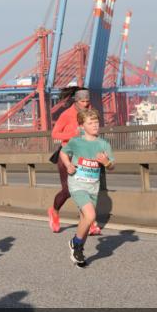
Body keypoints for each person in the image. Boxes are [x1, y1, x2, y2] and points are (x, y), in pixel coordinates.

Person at [59, 108, 115, 267]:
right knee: (90, 216)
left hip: (93, 187)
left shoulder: (103, 144)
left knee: (85, 219)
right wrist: (68, 164)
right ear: (82, 126)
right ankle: (76, 243)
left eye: (96, 122)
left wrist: (106, 163)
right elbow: (64, 153)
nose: (95, 125)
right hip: (77, 184)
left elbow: (112, 166)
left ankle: (78, 249)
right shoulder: (76, 142)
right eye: (90, 123)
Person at [48, 87, 102, 235]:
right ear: (76, 100)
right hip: (68, 155)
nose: (85, 104)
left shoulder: (91, 113)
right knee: (67, 191)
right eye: (82, 101)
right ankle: (54, 211)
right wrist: (74, 133)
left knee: (86, 189)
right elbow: (54, 134)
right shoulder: (67, 114)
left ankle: (90, 223)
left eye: (87, 101)